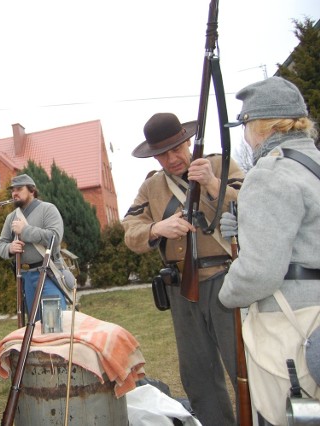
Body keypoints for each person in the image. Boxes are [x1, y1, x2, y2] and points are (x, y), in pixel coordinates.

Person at [121, 112, 244, 426]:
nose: (171, 158)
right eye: (162, 153)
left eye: (176, 148)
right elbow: (130, 231)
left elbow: (249, 204)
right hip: (181, 287)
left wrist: (213, 184)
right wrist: (157, 228)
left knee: (243, 364)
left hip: (225, 279)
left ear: (188, 142)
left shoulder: (219, 165)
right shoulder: (151, 186)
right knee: (198, 371)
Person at [218, 76, 320, 426]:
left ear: (257, 126)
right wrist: (247, 228)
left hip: (292, 326)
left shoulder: (269, 173)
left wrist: (228, 290)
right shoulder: (312, 164)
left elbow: (259, 272)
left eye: (245, 124)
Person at [0, 174, 67, 321]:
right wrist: (10, 248)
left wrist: (25, 231)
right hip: (25, 277)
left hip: (48, 273)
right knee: (34, 326)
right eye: (13, 190)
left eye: (19, 189)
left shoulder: (48, 209)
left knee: (54, 322)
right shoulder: (12, 217)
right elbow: (0, 245)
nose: (14, 193)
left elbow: (54, 238)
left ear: (32, 190)